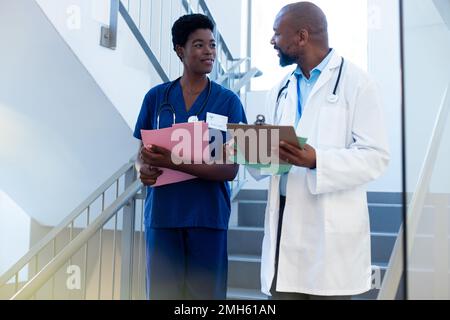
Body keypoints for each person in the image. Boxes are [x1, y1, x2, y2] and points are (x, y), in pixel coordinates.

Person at [252, 2, 390, 300]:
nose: (272, 41)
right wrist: (248, 149)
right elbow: (271, 160)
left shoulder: (358, 83)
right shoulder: (280, 90)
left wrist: (317, 160)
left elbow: (376, 157)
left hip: (330, 232)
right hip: (284, 224)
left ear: (301, 37)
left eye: (277, 34)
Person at [133, 14, 247, 300]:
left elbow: (230, 168)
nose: (209, 51)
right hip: (162, 217)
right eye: (199, 45)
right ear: (179, 51)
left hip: (207, 218)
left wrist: (173, 162)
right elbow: (141, 153)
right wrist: (141, 169)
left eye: (211, 45)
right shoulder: (156, 98)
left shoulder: (229, 102)